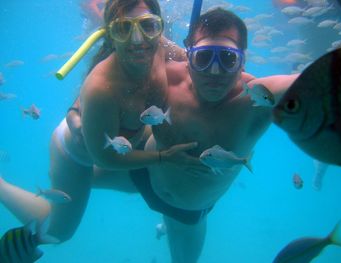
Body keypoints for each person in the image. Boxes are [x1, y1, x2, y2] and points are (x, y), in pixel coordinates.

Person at [0, 0, 198, 244]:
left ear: (159, 27)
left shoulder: (157, 47)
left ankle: (82, 185)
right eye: (123, 29)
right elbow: (106, 158)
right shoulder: (101, 87)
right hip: (77, 154)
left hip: (117, 142)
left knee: (142, 181)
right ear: (112, 34)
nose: (138, 40)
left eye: (148, 25)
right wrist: (163, 157)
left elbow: (194, 64)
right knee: (57, 233)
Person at [127, 8, 299, 262]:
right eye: (204, 57)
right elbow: (128, 27)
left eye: (228, 59)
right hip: (140, 170)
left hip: (187, 214)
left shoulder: (259, 99)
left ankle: (166, 225)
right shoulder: (165, 76)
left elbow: (319, 78)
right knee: (71, 167)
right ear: (189, 56)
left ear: (243, 60)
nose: (215, 72)